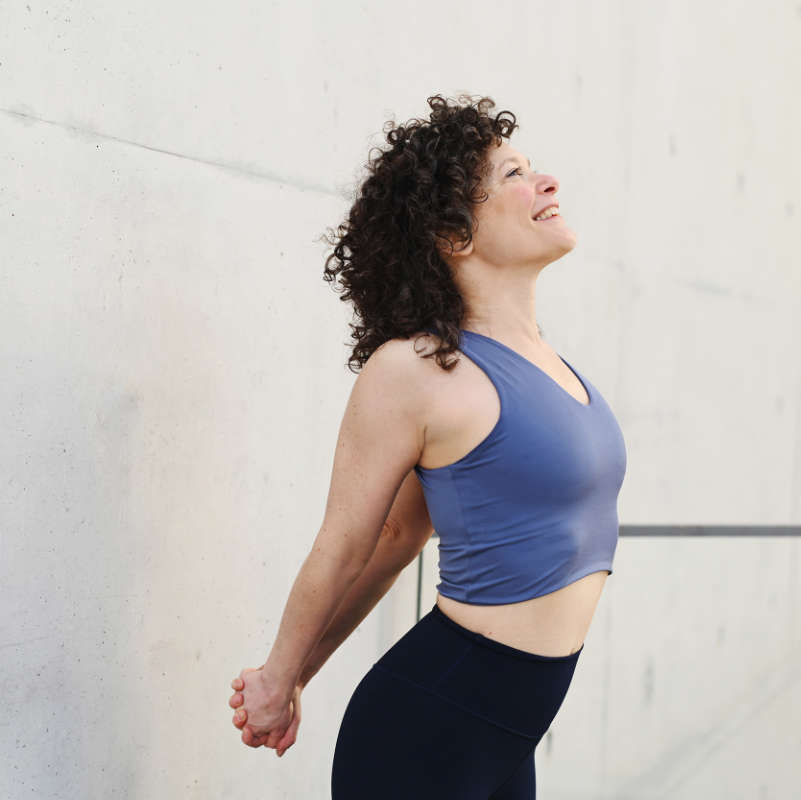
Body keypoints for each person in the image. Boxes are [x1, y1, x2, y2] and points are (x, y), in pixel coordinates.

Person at [226, 93, 628, 798]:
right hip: (426, 734)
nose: (546, 182)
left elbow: (401, 538)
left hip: (508, 738)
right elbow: (351, 544)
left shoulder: (551, 364)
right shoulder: (414, 371)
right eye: (513, 174)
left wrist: (296, 677)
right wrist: (279, 678)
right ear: (453, 235)